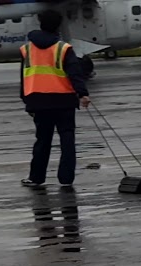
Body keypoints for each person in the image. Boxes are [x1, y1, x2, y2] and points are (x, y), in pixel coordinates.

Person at [20, 10, 91, 190]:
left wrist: (26, 101)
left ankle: (36, 177)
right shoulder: (63, 48)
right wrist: (82, 93)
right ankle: (66, 179)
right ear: (58, 26)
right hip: (63, 102)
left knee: (42, 140)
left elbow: (24, 77)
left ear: (40, 23)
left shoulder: (27, 49)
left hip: (38, 102)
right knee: (67, 140)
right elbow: (75, 73)